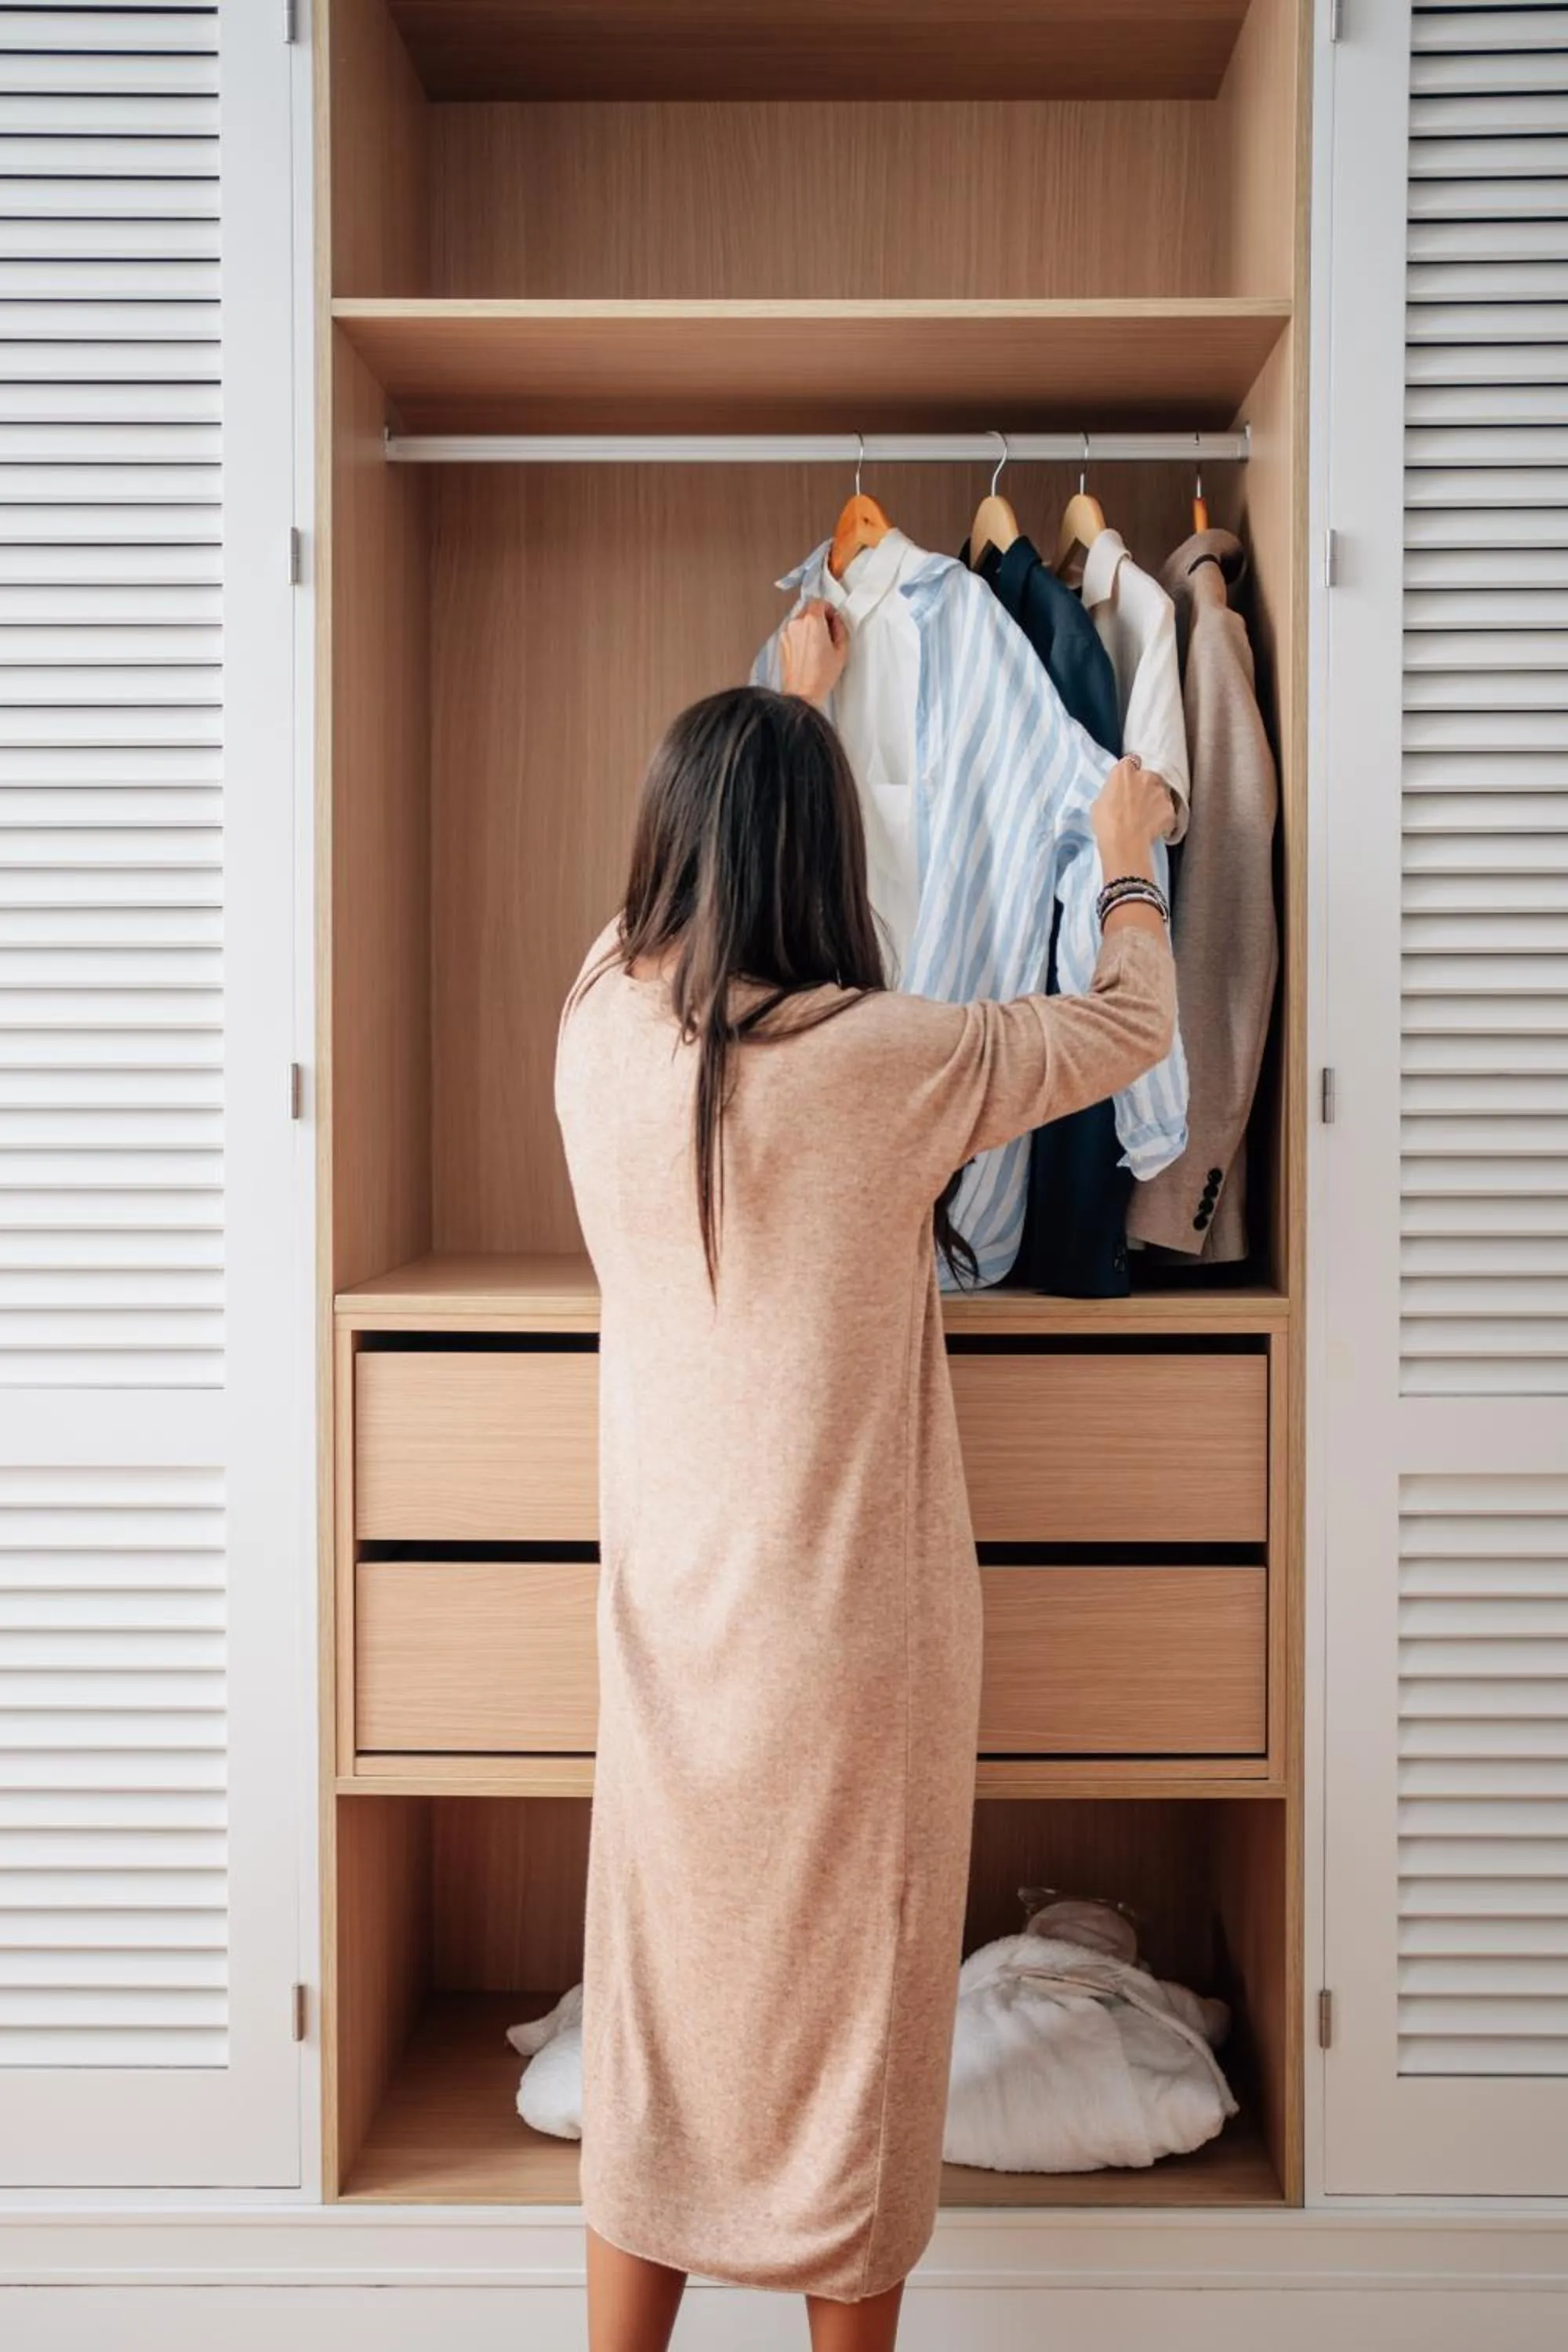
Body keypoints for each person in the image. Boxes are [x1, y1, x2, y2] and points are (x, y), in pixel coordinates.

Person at [554, 600, 1178, 2352]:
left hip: (668, 1637)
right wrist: (1123, 858)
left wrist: (786, 696)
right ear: (831, 857)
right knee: (854, 2015)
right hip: (851, 1652)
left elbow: (655, 915)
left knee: (663, 2008)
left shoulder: (598, 1023)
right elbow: (1124, 1026)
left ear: (668, 851)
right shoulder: (891, 1063)